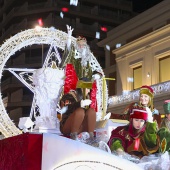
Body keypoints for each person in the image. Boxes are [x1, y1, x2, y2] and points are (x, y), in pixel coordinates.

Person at [59, 64, 96, 140]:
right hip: (68, 126)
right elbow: (65, 109)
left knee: (91, 111)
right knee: (80, 111)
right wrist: (80, 104)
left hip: (81, 126)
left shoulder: (86, 97)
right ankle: (74, 136)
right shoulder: (70, 96)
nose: (89, 91)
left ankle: (91, 137)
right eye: (87, 88)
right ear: (82, 88)